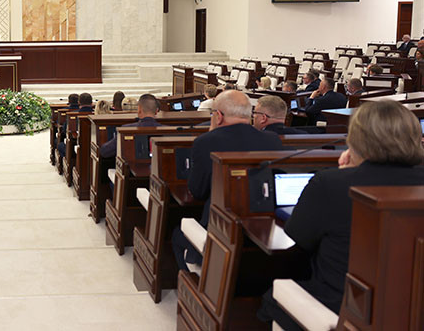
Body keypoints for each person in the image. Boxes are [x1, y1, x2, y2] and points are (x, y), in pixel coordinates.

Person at [257, 101, 424, 329]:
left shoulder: (331, 183)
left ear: (356, 139)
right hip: (413, 310)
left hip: (346, 308)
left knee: (270, 299)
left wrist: (342, 175)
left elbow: (298, 235)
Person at [171, 90, 282, 271]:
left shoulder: (205, 142)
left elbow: (198, 192)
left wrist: (210, 133)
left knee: (176, 235)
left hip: (219, 229)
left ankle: (192, 279)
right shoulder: (272, 140)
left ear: (219, 116)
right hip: (262, 227)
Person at [99, 94, 161, 158]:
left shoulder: (126, 130)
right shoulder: (166, 129)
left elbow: (105, 151)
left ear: (139, 110)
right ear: (156, 111)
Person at [57, 93, 93, 161]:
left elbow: (64, 130)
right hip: (93, 145)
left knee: (60, 145)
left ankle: (69, 161)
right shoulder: (96, 115)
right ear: (92, 103)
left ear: (79, 102)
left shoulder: (73, 115)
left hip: (76, 143)